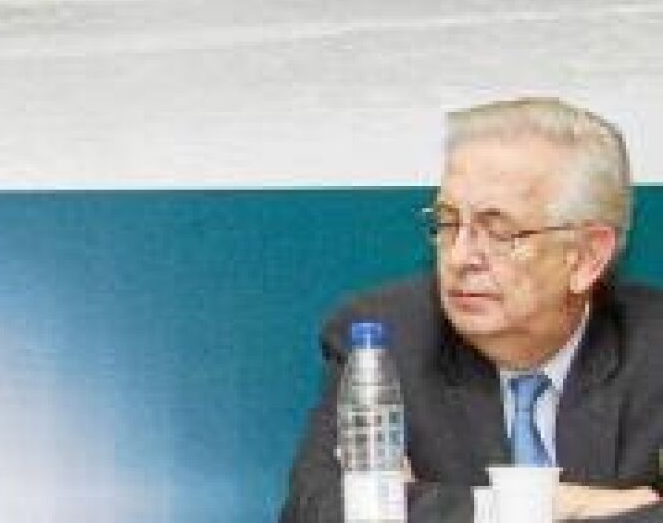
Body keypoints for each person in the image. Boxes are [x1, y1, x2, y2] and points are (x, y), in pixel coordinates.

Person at [281, 98, 663, 523]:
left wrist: (423, 506)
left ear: (587, 257)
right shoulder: (388, 340)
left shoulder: (654, 349)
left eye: (498, 231)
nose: (460, 257)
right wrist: (548, 505)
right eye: (448, 224)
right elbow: (319, 509)